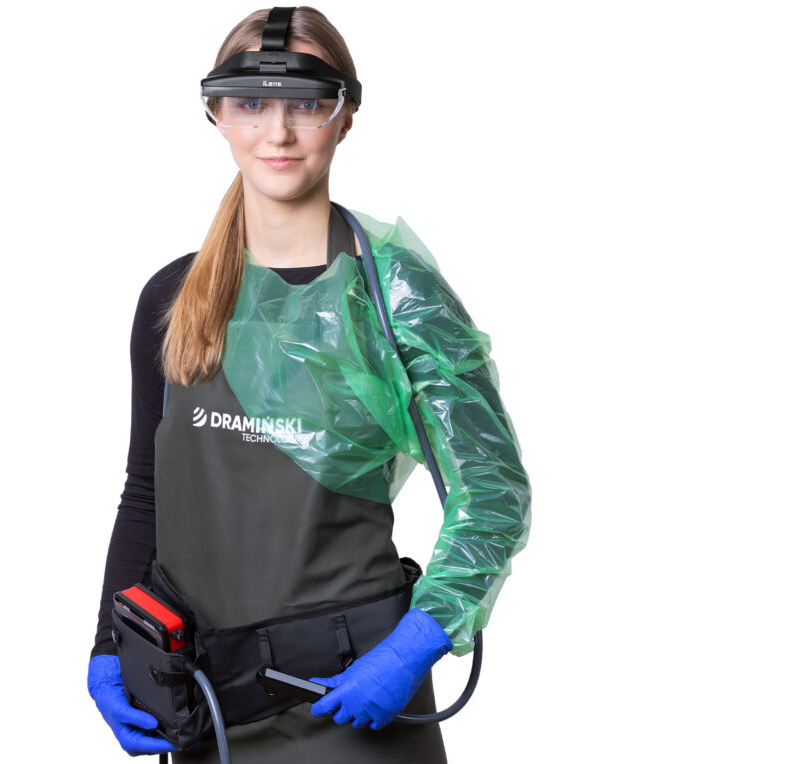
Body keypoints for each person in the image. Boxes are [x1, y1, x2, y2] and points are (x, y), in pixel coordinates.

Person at [87, 7, 531, 763]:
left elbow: (493, 492)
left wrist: (415, 644)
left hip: (350, 695)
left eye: (305, 104)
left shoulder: (396, 301)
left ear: (345, 115)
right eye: (250, 103)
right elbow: (147, 492)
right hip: (204, 707)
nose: (278, 132)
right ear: (215, 113)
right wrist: (108, 643)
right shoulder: (175, 300)